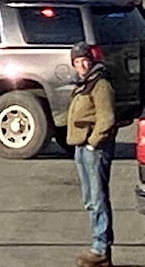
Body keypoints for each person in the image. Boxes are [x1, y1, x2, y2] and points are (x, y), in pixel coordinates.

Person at [67, 42, 116, 267]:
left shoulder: (100, 84)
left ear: (92, 59)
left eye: (85, 60)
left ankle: (101, 248)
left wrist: (93, 144)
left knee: (97, 199)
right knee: (89, 199)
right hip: (81, 146)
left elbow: (107, 117)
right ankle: (99, 246)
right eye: (77, 62)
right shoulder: (82, 83)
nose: (82, 64)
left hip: (94, 148)